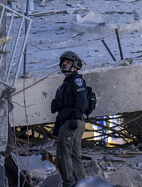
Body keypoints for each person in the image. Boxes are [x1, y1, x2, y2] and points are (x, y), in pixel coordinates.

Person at [51, 51, 87, 187]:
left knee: (63, 154)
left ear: (75, 65)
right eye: (63, 62)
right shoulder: (64, 84)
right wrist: (57, 125)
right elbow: (61, 109)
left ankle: (69, 183)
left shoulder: (76, 81)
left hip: (73, 123)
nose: (64, 64)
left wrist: (74, 118)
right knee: (73, 155)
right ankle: (81, 183)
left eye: (68, 62)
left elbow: (81, 100)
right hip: (67, 123)